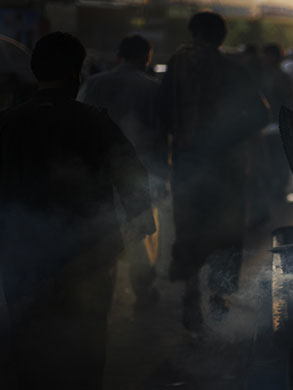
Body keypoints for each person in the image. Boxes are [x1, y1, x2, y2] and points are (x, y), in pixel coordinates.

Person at [0, 32, 154, 389]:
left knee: (27, 343)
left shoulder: (6, 124)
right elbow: (132, 176)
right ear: (76, 74)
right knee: (85, 345)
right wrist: (140, 219)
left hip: (22, 256)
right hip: (88, 257)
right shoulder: (94, 121)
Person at [158, 12, 268, 331]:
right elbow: (260, 114)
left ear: (194, 34)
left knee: (190, 226)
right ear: (221, 39)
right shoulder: (233, 69)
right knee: (226, 230)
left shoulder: (177, 67)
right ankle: (218, 296)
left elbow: (163, 114)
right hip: (227, 166)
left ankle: (191, 295)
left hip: (188, 163)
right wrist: (229, 136)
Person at [78, 34, 166, 310]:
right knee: (141, 236)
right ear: (147, 57)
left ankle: (98, 296)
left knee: (103, 234)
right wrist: (164, 173)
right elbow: (161, 136)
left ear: (119, 55)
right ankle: (143, 293)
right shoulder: (152, 89)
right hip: (139, 173)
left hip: (97, 172)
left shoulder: (93, 83)